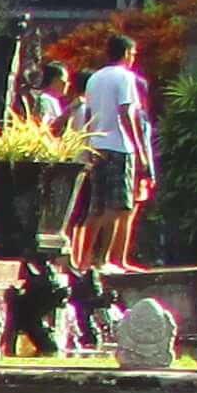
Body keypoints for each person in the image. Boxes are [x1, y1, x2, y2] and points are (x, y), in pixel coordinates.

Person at [75, 36, 155, 275]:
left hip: (98, 145)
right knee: (118, 206)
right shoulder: (125, 77)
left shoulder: (94, 79)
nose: (134, 58)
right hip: (120, 145)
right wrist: (139, 149)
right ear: (127, 52)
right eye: (133, 53)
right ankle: (104, 260)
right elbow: (125, 112)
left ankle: (85, 260)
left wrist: (88, 144)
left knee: (97, 206)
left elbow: (89, 114)